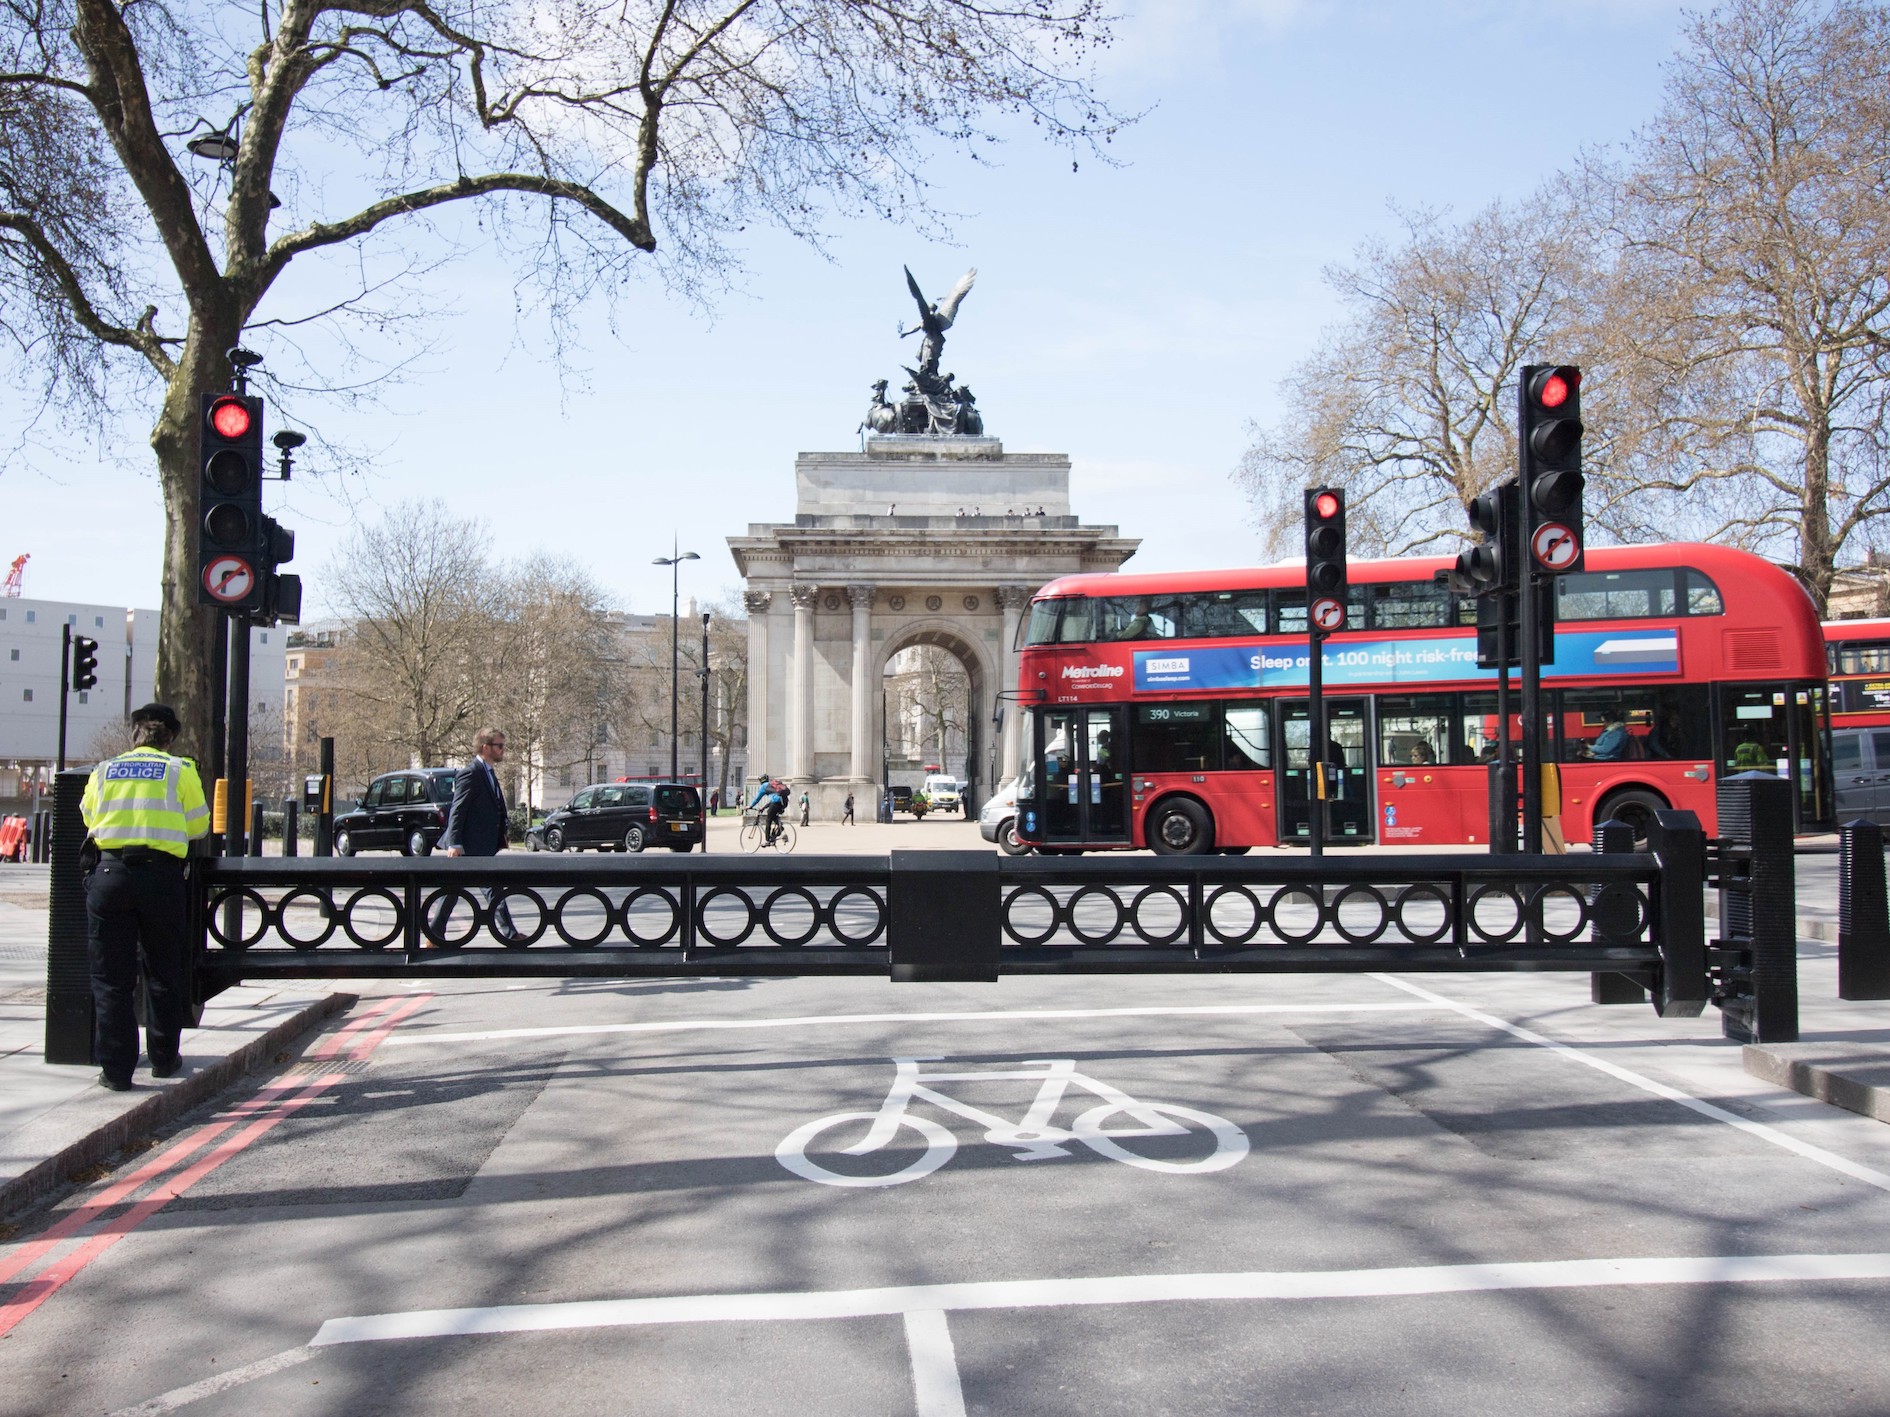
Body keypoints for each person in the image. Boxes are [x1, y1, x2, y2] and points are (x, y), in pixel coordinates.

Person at [80, 703, 210, 1090]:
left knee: (111, 979)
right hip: (160, 879)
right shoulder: (179, 770)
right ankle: (164, 1059)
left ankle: (117, 1071)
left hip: (110, 875)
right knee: (163, 971)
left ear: (134, 734)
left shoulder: (103, 770)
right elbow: (199, 825)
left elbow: (89, 815)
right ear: (170, 739)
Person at [433, 727, 516, 942]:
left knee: (483, 891)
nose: (502, 750)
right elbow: (457, 810)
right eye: (499, 746)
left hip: (480, 846)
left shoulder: (488, 772)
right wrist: (455, 843)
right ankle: (510, 934)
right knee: (461, 891)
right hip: (468, 847)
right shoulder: (471, 773)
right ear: (485, 747)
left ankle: (434, 934)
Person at [749, 774, 787, 843]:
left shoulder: (764, 786)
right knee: (773, 815)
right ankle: (779, 828)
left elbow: (757, 799)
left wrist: (751, 806)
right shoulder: (772, 785)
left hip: (776, 803)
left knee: (768, 819)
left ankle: (768, 840)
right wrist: (764, 807)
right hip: (784, 803)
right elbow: (773, 799)